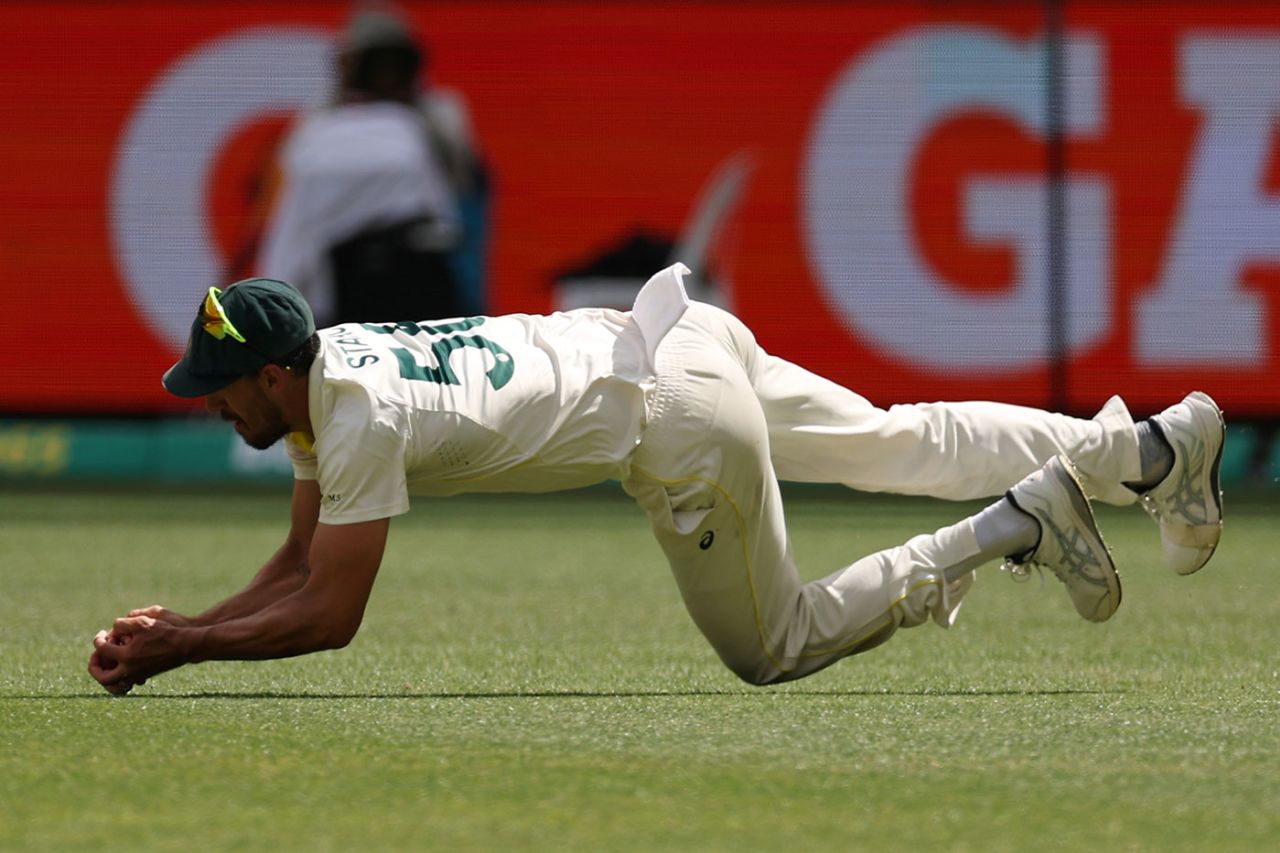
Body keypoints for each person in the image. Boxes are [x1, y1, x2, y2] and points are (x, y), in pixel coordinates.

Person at [87, 267, 1225, 694]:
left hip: (669, 422)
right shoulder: (322, 374)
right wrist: (189, 621)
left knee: (772, 647)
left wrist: (187, 648)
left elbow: (330, 613)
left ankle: (1013, 527)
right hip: (672, 330)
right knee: (893, 437)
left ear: (279, 373)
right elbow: (292, 564)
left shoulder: (357, 416)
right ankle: (1151, 453)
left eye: (224, 384)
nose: (210, 399)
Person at [257, 3, 489, 327]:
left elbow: (464, 180)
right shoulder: (321, 118)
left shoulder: (439, 112)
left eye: (395, 62)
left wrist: (409, 109)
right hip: (344, 273)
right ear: (350, 64)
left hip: (430, 259)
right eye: (375, 62)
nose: (386, 73)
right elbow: (294, 192)